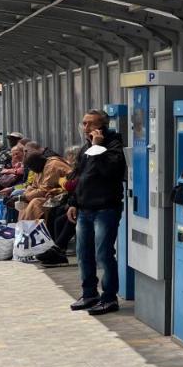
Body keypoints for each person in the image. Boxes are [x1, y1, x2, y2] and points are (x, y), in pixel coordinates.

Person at [67, 110, 126, 315]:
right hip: (84, 209)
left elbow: (110, 173)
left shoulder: (113, 146)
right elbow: (79, 178)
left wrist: (98, 147)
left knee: (104, 254)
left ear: (102, 126)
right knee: (83, 254)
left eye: (90, 124)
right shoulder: (86, 148)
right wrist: (73, 202)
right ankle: (89, 293)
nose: (85, 128)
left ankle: (109, 298)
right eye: (83, 123)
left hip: (105, 209)